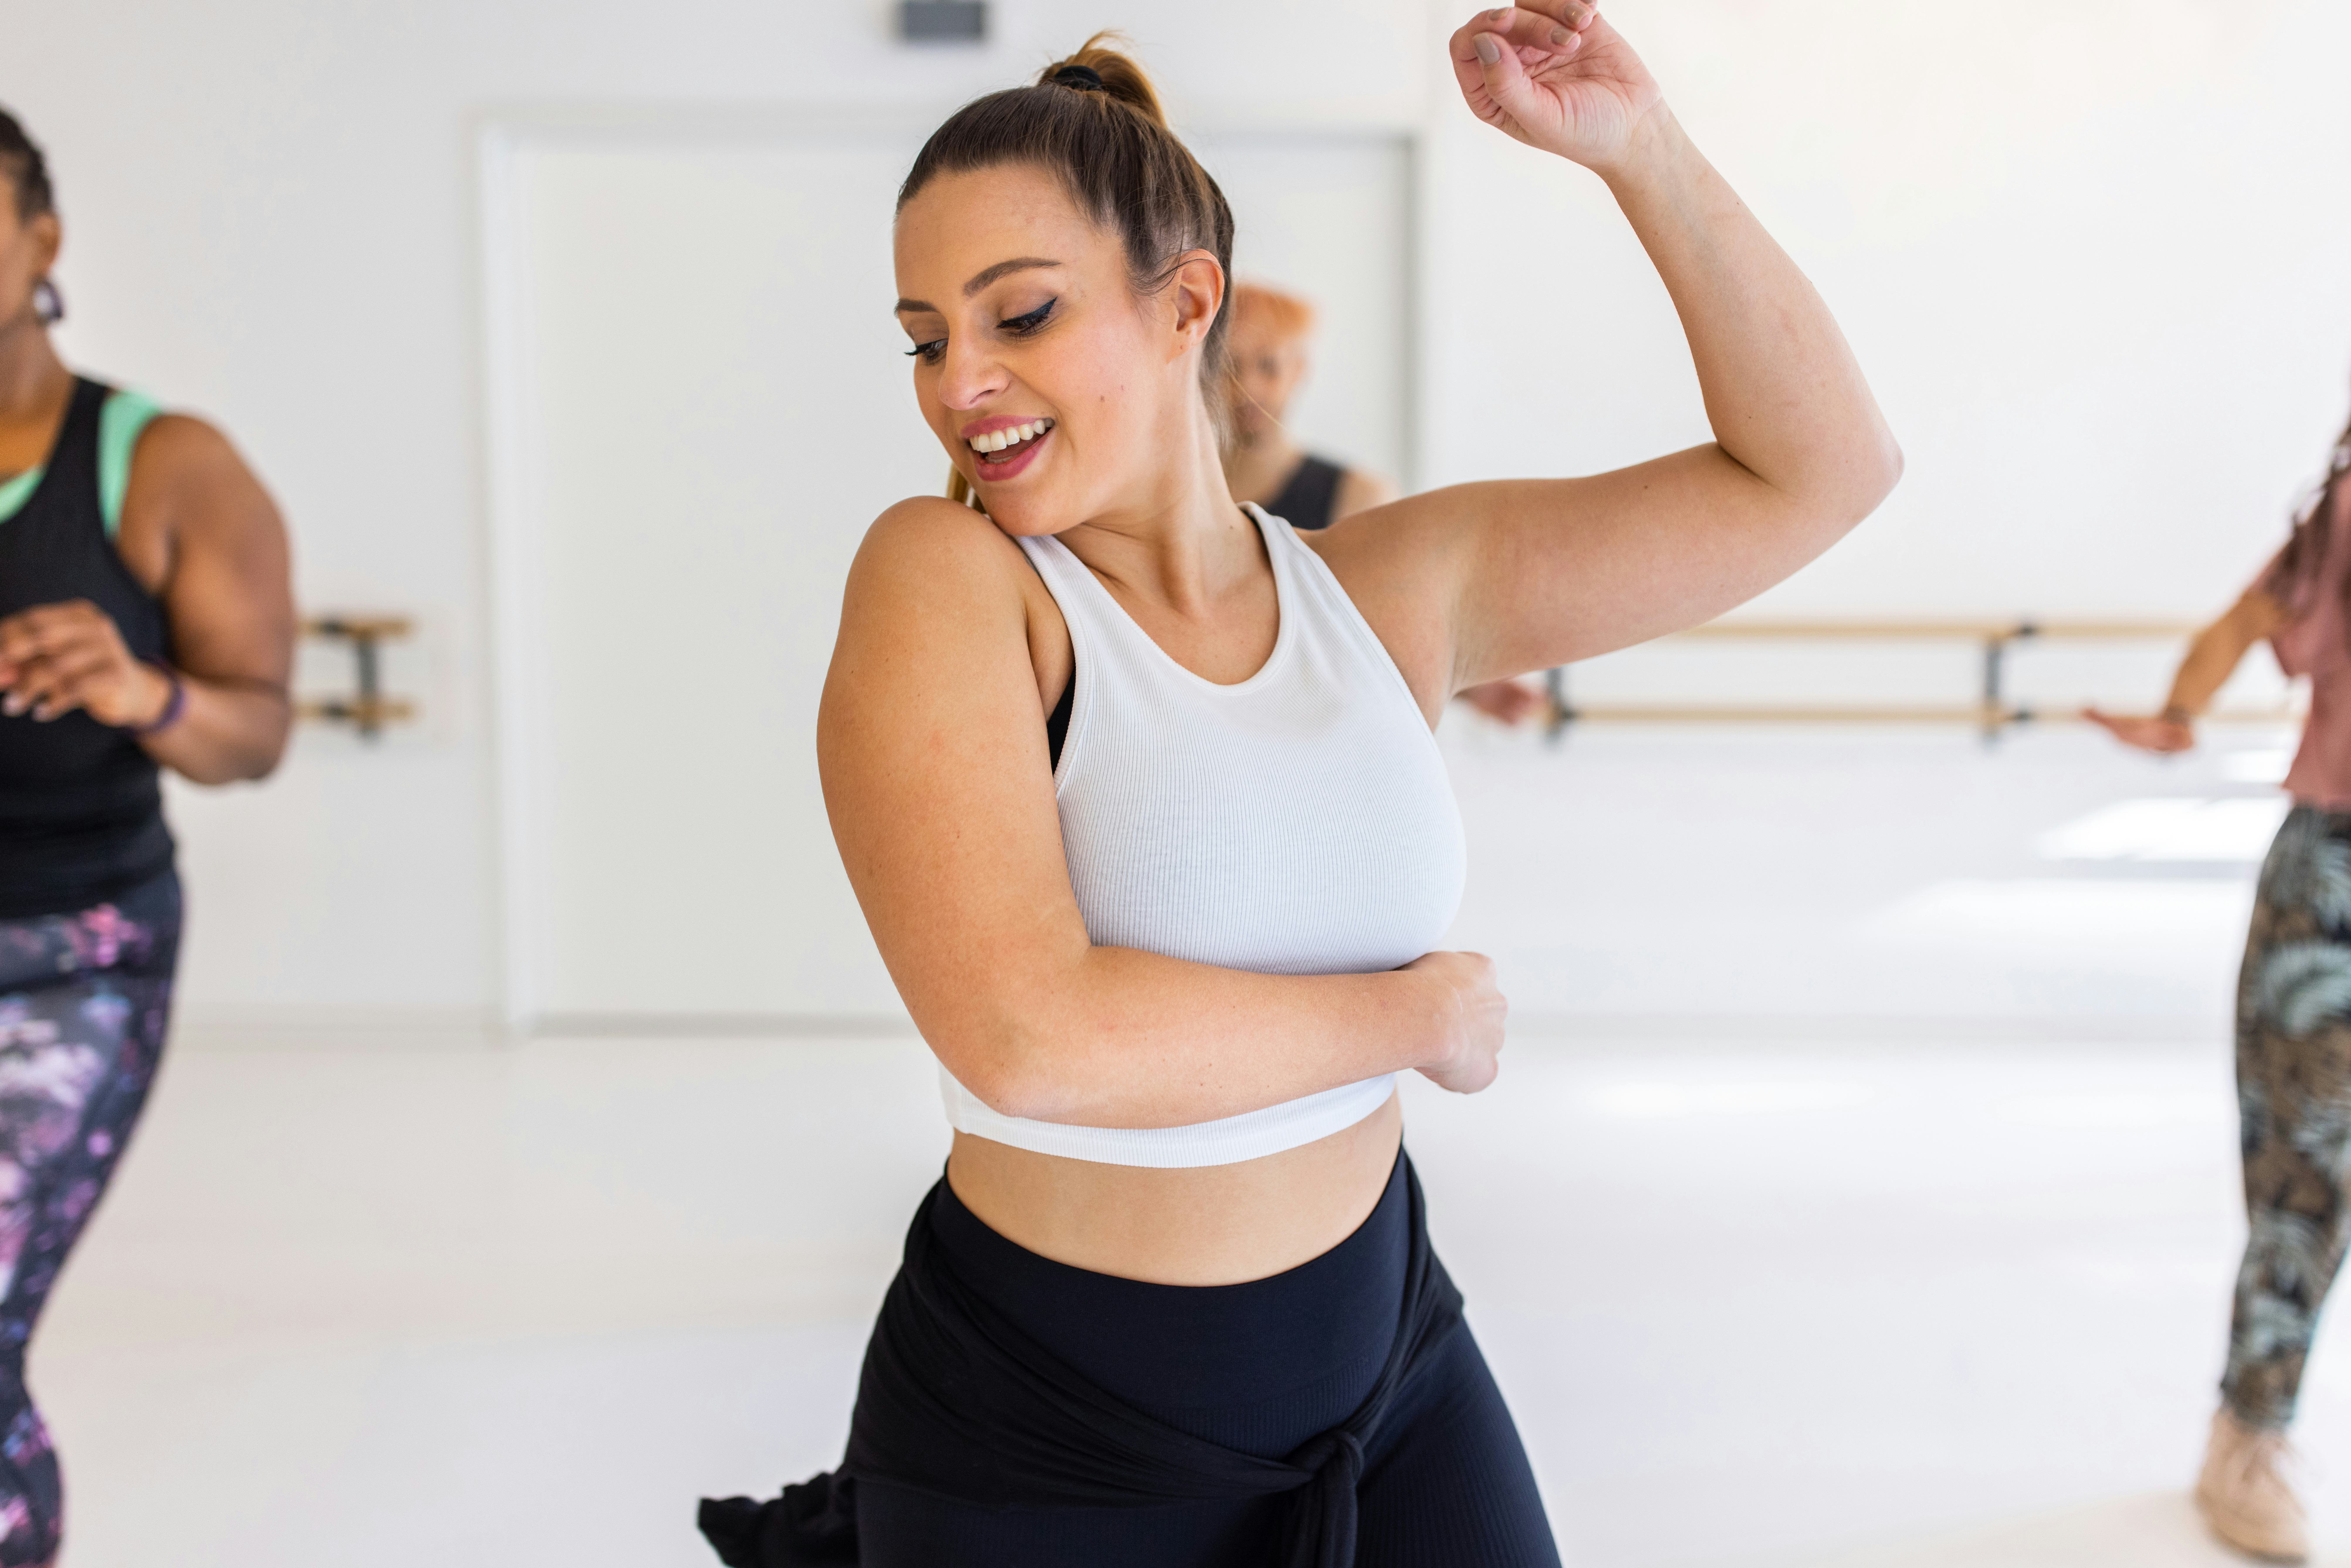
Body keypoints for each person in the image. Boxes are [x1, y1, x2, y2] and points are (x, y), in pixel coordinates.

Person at [703, 9, 1897, 1564]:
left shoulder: (1391, 584)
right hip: (1054, 1441)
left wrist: (1640, 151)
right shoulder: (954, 580)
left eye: (1022, 316)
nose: (959, 383)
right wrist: (1412, 1018)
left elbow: (1823, 472)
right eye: (930, 337)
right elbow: (1025, 1035)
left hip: (1384, 1362)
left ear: (1185, 300)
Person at [0, 108, 294, 1567]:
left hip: (74, 954)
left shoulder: (164, 465)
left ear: (42, 240)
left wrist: (143, 689)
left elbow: (256, 732)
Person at [2088, 400, 2351, 1566]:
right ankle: (2250, 1434)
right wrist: (2180, 712)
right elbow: (2246, 620)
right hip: (2334, 878)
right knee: (2312, 1166)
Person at [1222, 279, 1546, 728]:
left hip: (1317, 729)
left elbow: (1392, 624)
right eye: (1230, 368)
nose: (1248, 389)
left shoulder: (1358, 496)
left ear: (1299, 370)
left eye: (1268, 367)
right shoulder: (1179, 499)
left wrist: (1472, 685)